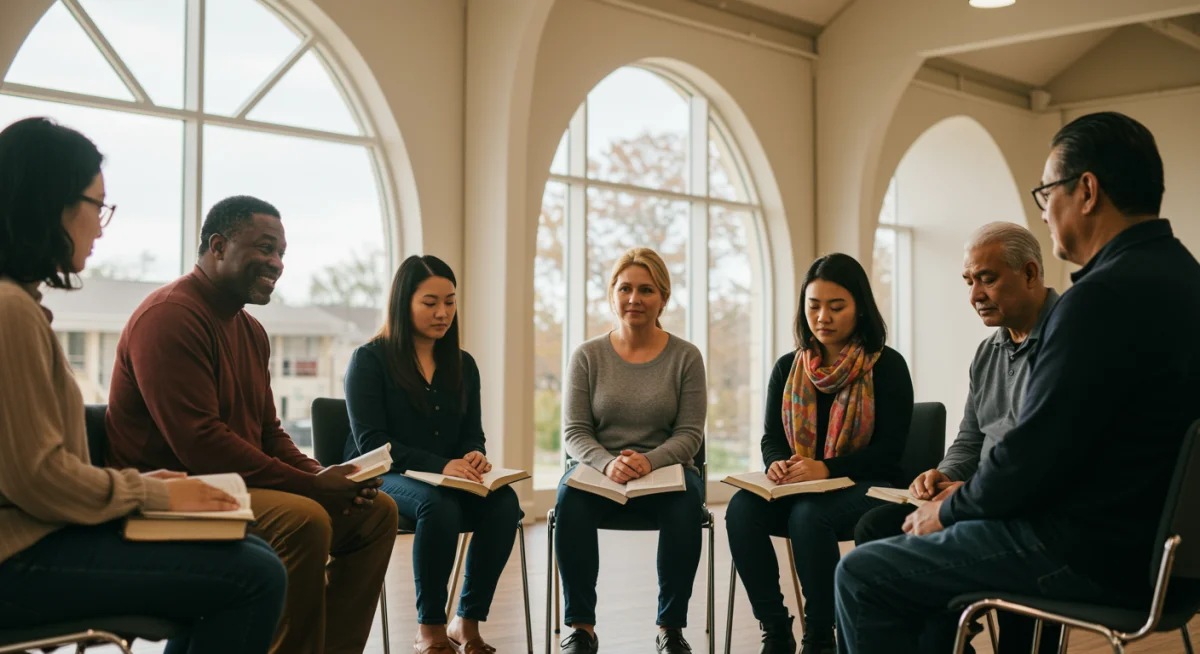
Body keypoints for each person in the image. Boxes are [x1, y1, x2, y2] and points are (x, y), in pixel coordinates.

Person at [834, 111, 1200, 653]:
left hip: (1092, 553)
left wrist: (948, 509)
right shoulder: (1185, 279)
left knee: (863, 575)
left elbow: (1033, 457)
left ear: (1087, 191)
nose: (1045, 212)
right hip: (1171, 561)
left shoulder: (1098, 301)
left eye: (1046, 192)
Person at [0, 117, 287, 653]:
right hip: (17, 555)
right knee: (253, 575)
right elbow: (37, 478)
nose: (101, 227)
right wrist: (152, 492)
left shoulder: (21, 306)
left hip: (33, 536)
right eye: (97, 205)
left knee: (251, 557)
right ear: (54, 203)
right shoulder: (10, 310)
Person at [104, 194, 399, 654]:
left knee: (376, 514)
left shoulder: (251, 331)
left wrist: (320, 475)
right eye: (264, 248)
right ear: (218, 247)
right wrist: (313, 488)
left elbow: (268, 435)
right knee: (304, 520)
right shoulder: (169, 317)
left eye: (281, 252)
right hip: (170, 497)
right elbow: (202, 447)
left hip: (231, 489)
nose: (277, 263)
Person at [852, 221, 1061, 653]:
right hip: (978, 497)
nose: (974, 295)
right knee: (876, 526)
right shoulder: (987, 352)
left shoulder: (1065, 342)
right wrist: (941, 475)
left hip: (1024, 506)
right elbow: (970, 439)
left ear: (1030, 273)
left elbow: (1043, 462)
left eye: (987, 279)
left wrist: (966, 493)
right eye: (969, 281)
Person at [725, 253, 913, 654]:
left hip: (870, 484)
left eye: (836, 306)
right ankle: (775, 629)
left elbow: (889, 452)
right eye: (813, 306)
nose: (822, 316)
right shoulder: (788, 367)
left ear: (860, 308)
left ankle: (821, 634)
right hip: (802, 485)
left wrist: (825, 468)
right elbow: (771, 438)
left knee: (809, 516)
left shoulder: (887, 366)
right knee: (741, 509)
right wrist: (777, 461)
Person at [344, 254, 520, 654]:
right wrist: (443, 465)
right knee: (439, 507)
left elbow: (472, 434)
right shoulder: (369, 360)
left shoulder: (463, 364)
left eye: (450, 302)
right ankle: (430, 628)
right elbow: (372, 442)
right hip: (382, 473)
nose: (443, 313)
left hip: (444, 477)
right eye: (430, 303)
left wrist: (474, 455)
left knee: (504, 504)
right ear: (404, 303)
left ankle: (466, 621)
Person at [554, 248, 707, 654]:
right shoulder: (587, 356)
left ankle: (670, 629)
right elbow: (575, 432)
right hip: (600, 475)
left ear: (663, 298)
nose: (634, 299)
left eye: (646, 290)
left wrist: (648, 461)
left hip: (667, 473)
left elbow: (690, 434)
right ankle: (581, 629)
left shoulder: (686, 357)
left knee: (688, 502)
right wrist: (609, 464)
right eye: (625, 289)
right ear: (612, 294)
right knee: (569, 499)